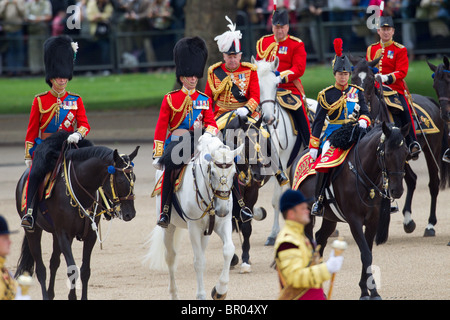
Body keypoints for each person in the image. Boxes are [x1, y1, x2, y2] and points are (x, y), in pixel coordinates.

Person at [21, 35, 91, 230]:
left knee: (94, 165)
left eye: (65, 76)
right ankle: (30, 212)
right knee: (35, 173)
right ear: (51, 77)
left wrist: (79, 134)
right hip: (46, 146)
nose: (62, 79)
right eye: (59, 76)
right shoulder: (40, 101)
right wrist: (29, 154)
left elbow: (84, 124)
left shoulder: (75, 100)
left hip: (69, 144)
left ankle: (95, 207)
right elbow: (32, 129)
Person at [152, 36, 218, 228]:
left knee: (225, 162)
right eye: (190, 76)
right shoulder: (170, 99)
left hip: (200, 140)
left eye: (196, 76)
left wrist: (209, 134)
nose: (194, 79)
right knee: (170, 169)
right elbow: (161, 127)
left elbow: (212, 123)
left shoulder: (204, 99)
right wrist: (158, 153)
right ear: (182, 77)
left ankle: (237, 207)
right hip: (178, 141)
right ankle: (165, 211)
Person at [309, 38, 371, 216]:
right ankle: (319, 199)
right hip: (333, 134)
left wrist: (363, 121)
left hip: (355, 130)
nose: (343, 77)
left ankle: (384, 195)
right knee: (325, 161)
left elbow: (365, 112)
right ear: (334, 74)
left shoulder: (356, 92)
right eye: (340, 74)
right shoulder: (326, 95)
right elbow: (318, 122)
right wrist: (314, 145)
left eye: (346, 74)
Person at [366, 15, 421, 160]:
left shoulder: (400, 49)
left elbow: (402, 71)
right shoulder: (371, 49)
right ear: (378, 31)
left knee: (404, 110)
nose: (385, 32)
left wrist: (386, 78)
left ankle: (412, 142)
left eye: (388, 29)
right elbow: (368, 67)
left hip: (394, 89)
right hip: (375, 89)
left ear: (393, 31)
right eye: (383, 29)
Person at [274, 189, 344, 300]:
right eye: (302, 208)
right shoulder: (287, 242)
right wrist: (326, 268)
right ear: (292, 214)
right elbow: (295, 277)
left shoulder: (300, 236)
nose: (307, 210)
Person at [204, 16, 260, 120]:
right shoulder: (214, 71)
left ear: (240, 56)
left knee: (262, 134)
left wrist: (247, 108)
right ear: (224, 56)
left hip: (246, 114)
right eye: (229, 57)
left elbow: (255, 96)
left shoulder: (250, 70)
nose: (233, 60)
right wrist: (207, 117)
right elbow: (208, 98)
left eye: (235, 56)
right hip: (221, 115)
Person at [25, 0, 52, 75]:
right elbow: (26, 17)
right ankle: (35, 71)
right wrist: (40, 18)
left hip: (43, 30)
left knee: (44, 50)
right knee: (33, 51)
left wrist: (36, 19)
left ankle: (45, 70)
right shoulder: (29, 3)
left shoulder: (46, 2)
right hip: (32, 31)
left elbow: (48, 16)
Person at [0, 0, 26, 76]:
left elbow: (23, 14)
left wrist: (17, 4)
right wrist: (4, 5)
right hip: (7, 29)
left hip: (18, 29)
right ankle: (10, 70)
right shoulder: (3, 2)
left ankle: (19, 70)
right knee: (10, 50)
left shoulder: (20, 1)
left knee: (19, 50)